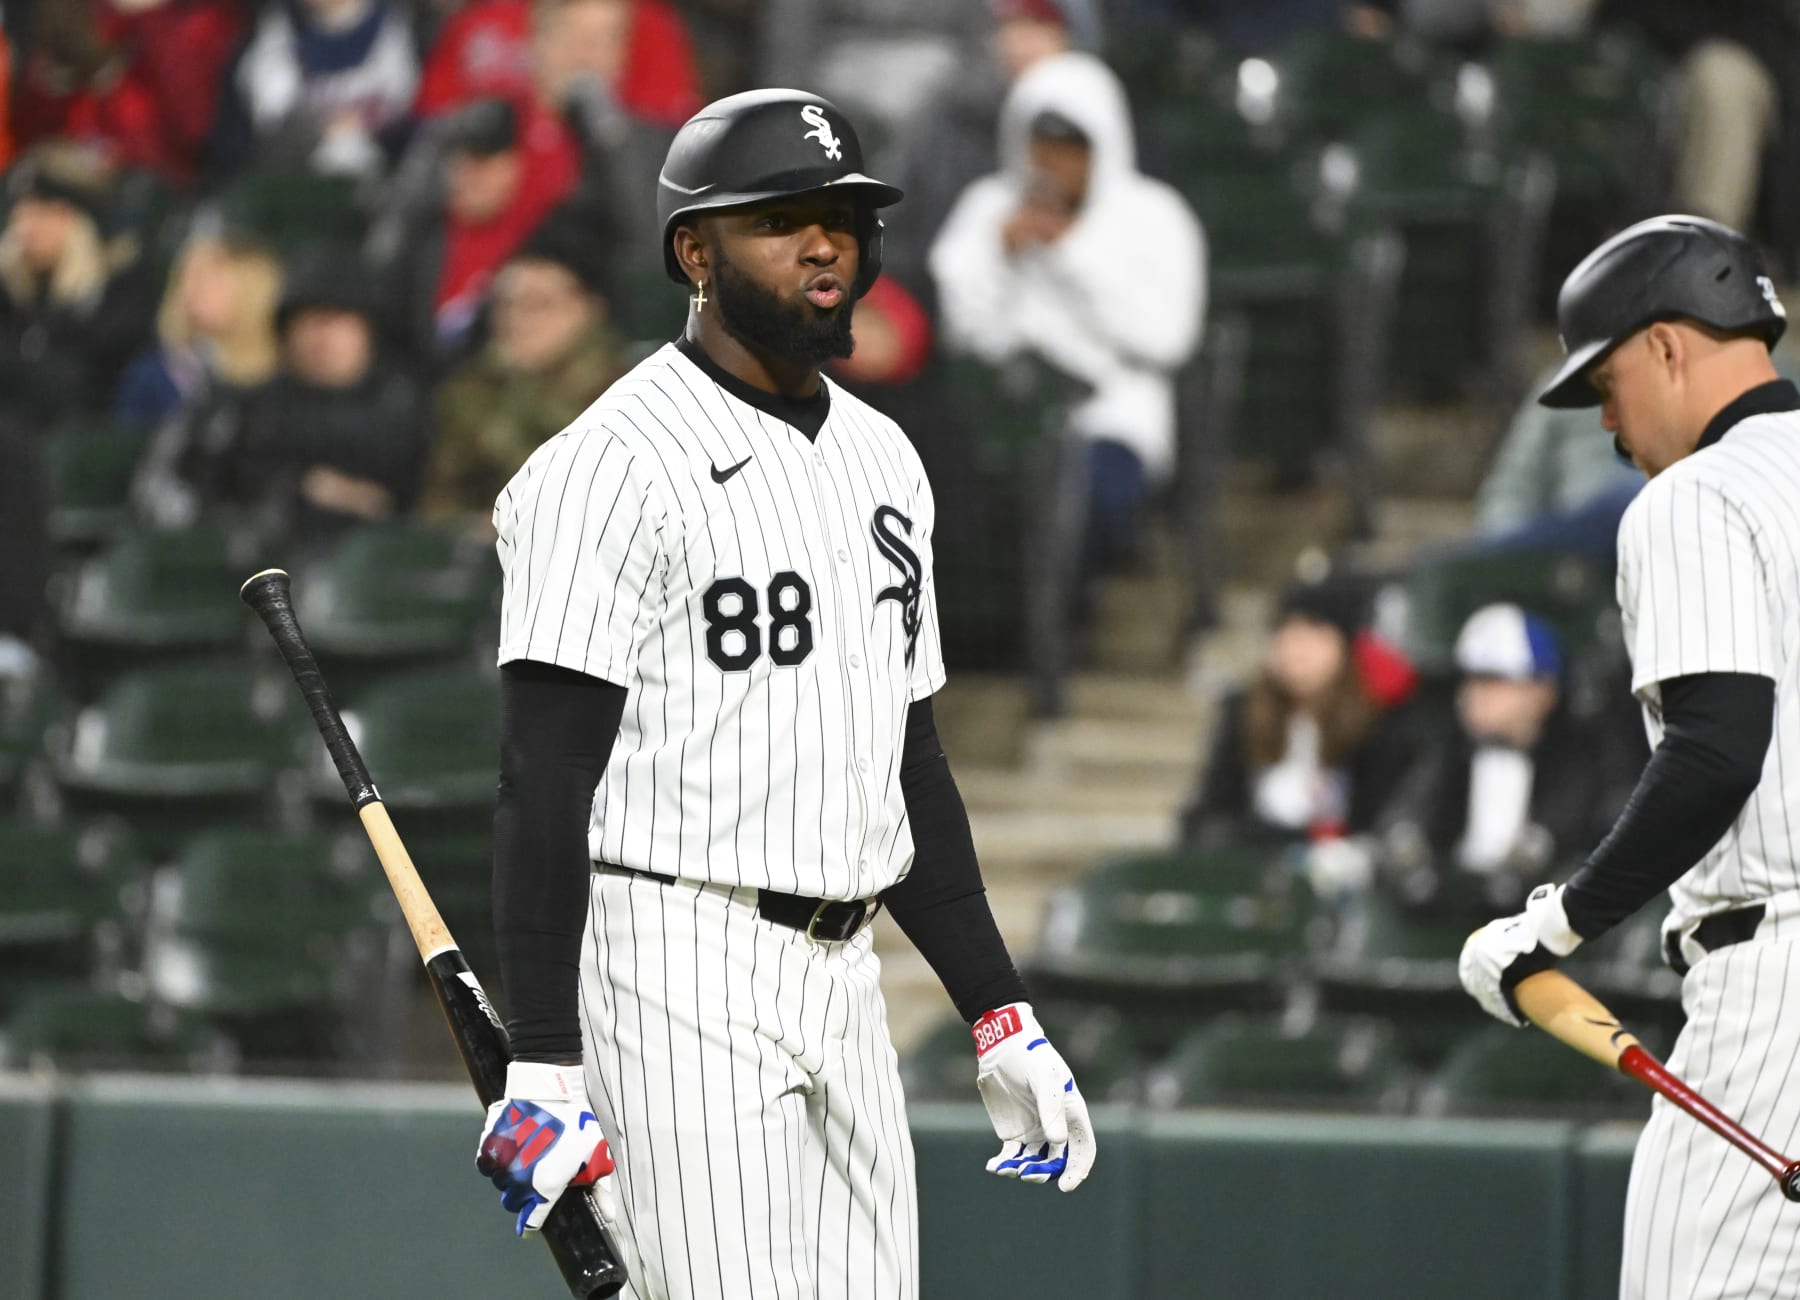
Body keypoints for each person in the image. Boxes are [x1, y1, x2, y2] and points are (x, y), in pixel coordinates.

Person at [472, 89, 1096, 1299]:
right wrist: (543, 1058)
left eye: (844, 218)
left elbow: (905, 764)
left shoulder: (883, 458)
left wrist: (997, 1008)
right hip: (674, 956)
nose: (826, 242)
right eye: (781, 220)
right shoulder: (606, 468)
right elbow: (541, 780)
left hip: (846, 971)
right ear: (693, 252)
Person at [1458, 215, 1800, 1300]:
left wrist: (1550, 924)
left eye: (1605, 382)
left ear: (1667, 345)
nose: (1605, 421)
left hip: (1777, 984)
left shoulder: (1693, 497)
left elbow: (1713, 749)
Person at [929, 48, 1205, 586]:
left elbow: (1169, 338)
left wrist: (1069, 256)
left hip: (1108, 419)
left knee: (1085, 499)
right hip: (1000, 415)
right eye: (1042, 145)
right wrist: (1000, 257)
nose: (1052, 163)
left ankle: (1065, 628)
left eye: (1071, 148)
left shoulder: (1155, 215)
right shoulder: (987, 208)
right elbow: (960, 331)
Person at [135, 249, 430, 542]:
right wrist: (287, 497)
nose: (322, 336)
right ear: (285, 333)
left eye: (339, 319)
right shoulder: (239, 411)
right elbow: (166, 491)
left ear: (368, 333)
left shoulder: (407, 415)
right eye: (309, 319)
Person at [1368, 603, 1635, 916]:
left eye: (1494, 681)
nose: (1472, 695)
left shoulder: (1583, 761)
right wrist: (1412, 865)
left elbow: (1581, 829)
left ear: (1543, 691)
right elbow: (1407, 816)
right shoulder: (1447, 753)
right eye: (1469, 681)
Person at [1178, 575, 1419, 852]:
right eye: (1285, 634)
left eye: (1313, 634)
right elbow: (1212, 806)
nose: (1295, 649)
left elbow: (1377, 824)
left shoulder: (1380, 722)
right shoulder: (1242, 711)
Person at [417, 210, 625, 530]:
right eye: (506, 304)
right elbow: (440, 500)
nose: (518, 319)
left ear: (589, 310)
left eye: (540, 304)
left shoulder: (623, 397)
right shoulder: (471, 387)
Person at [0, 141, 157, 430]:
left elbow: (86, 386)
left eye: (43, 213)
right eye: (21, 214)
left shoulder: (122, 288)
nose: (26, 229)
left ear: (79, 220)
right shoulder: (13, 289)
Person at [205, 0, 419, 181]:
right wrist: (320, 126)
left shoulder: (387, 21)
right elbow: (271, 107)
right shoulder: (282, 25)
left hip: (381, 168)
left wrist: (363, 121)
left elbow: (402, 98)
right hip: (296, 170)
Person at [114, 218, 284, 430]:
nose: (188, 291)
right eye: (184, 278)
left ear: (251, 290)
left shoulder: (288, 375)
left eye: (205, 280)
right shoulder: (151, 376)